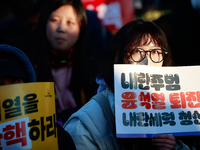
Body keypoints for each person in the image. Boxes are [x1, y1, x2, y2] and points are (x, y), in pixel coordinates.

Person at [63, 20, 200, 150]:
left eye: (156, 53)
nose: (148, 62)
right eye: (137, 52)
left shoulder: (176, 108)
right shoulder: (85, 124)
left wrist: (175, 147)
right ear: (120, 57)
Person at [19, 0, 110, 124]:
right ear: (44, 23)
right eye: (54, 20)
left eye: (70, 22)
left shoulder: (95, 64)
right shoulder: (25, 63)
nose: (61, 29)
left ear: (81, 27)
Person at [0, 44, 76, 150]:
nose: (7, 89)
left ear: (27, 85)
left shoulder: (51, 133)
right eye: (0, 84)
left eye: (14, 81)